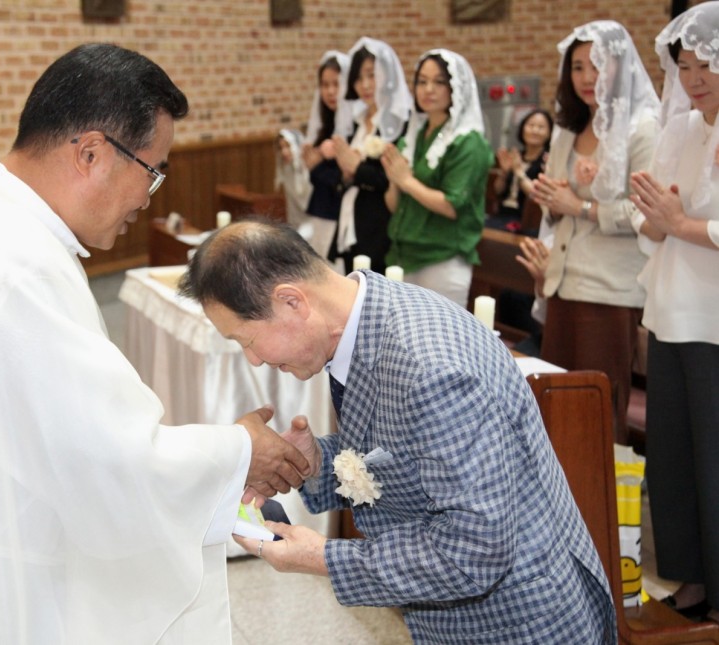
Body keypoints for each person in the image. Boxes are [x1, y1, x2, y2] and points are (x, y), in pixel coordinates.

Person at [0, 43, 311, 645]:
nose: (148, 198)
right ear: (91, 153)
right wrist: (238, 453)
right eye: (153, 171)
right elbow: (105, 460)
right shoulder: (13, 266)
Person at [178, 218, 617, 644]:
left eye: (247, 340)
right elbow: (410, 453)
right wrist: (318, 463)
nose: (254, 360)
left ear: (292, 301)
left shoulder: (431, 370)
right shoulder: (366, 317)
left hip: (518, 620)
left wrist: (323, 558)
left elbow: (476, 549)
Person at [519, 21, 660, 442]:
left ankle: (600, 483)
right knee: (553, 406)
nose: (586, 77)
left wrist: (578, 205)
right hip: (563, 282)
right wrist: (551, 198)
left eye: (597, 65)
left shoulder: (642, 128)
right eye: (577, 67)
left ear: (620, 66)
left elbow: (646, 210)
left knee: (596, 413)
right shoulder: (568, 129)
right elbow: (558, 206)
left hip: (608, 289)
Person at [628, 1, 719, 624]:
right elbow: (650, 219)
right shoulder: (681, 128)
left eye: (705, 64)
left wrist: (680, 223)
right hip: (668, 310)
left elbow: (683, 220)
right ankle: (689, 580)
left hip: (713, 320)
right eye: (684, 66)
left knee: (714, 459)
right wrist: (659, 222)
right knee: (673, 456)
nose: (693, 78)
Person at [382, 49, 494, 308]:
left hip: (442, 260)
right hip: (403, 255)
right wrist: (394, 181)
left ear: (455, 88)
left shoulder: (468, 142)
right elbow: (394, 206)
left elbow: (452, 205)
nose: (428, 89)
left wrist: (406, 181)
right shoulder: (414, 136)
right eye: (422, 81)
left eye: (439, 82)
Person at [330, 37, 413, 274]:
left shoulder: (401, 122)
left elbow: (393, 177)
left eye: (371, 75)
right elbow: (349, 171)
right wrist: (346, 174)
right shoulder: (357, 121)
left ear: (387, 76)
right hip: (352, 220)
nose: (365, 85)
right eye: (358, 78)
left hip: (381, 226)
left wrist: (357, 168)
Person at [300, 50, 350, 259]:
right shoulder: (324, 126)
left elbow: (346, 180)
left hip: (341, 217)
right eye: (325, 85)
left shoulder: (354, 127)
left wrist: (317, 166)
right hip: (320, 210)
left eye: (336, 84)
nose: (330, 91)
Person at [488, 108, 554, 234]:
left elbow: (537, 196)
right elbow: (498, 191)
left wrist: (519, 172)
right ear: (523, 129)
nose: (535, 130)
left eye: (541, 127)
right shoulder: (516, 155)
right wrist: (504, 172)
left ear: (549, 133)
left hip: (527, 222)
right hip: (502, 215)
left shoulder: (547, 161)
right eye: (531, 125)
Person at [275, 128, 312, 229]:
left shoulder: (308, 170)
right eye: (281, 148)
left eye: (288, 146)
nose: (284, 152)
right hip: (296, 224)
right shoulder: (287, 170)